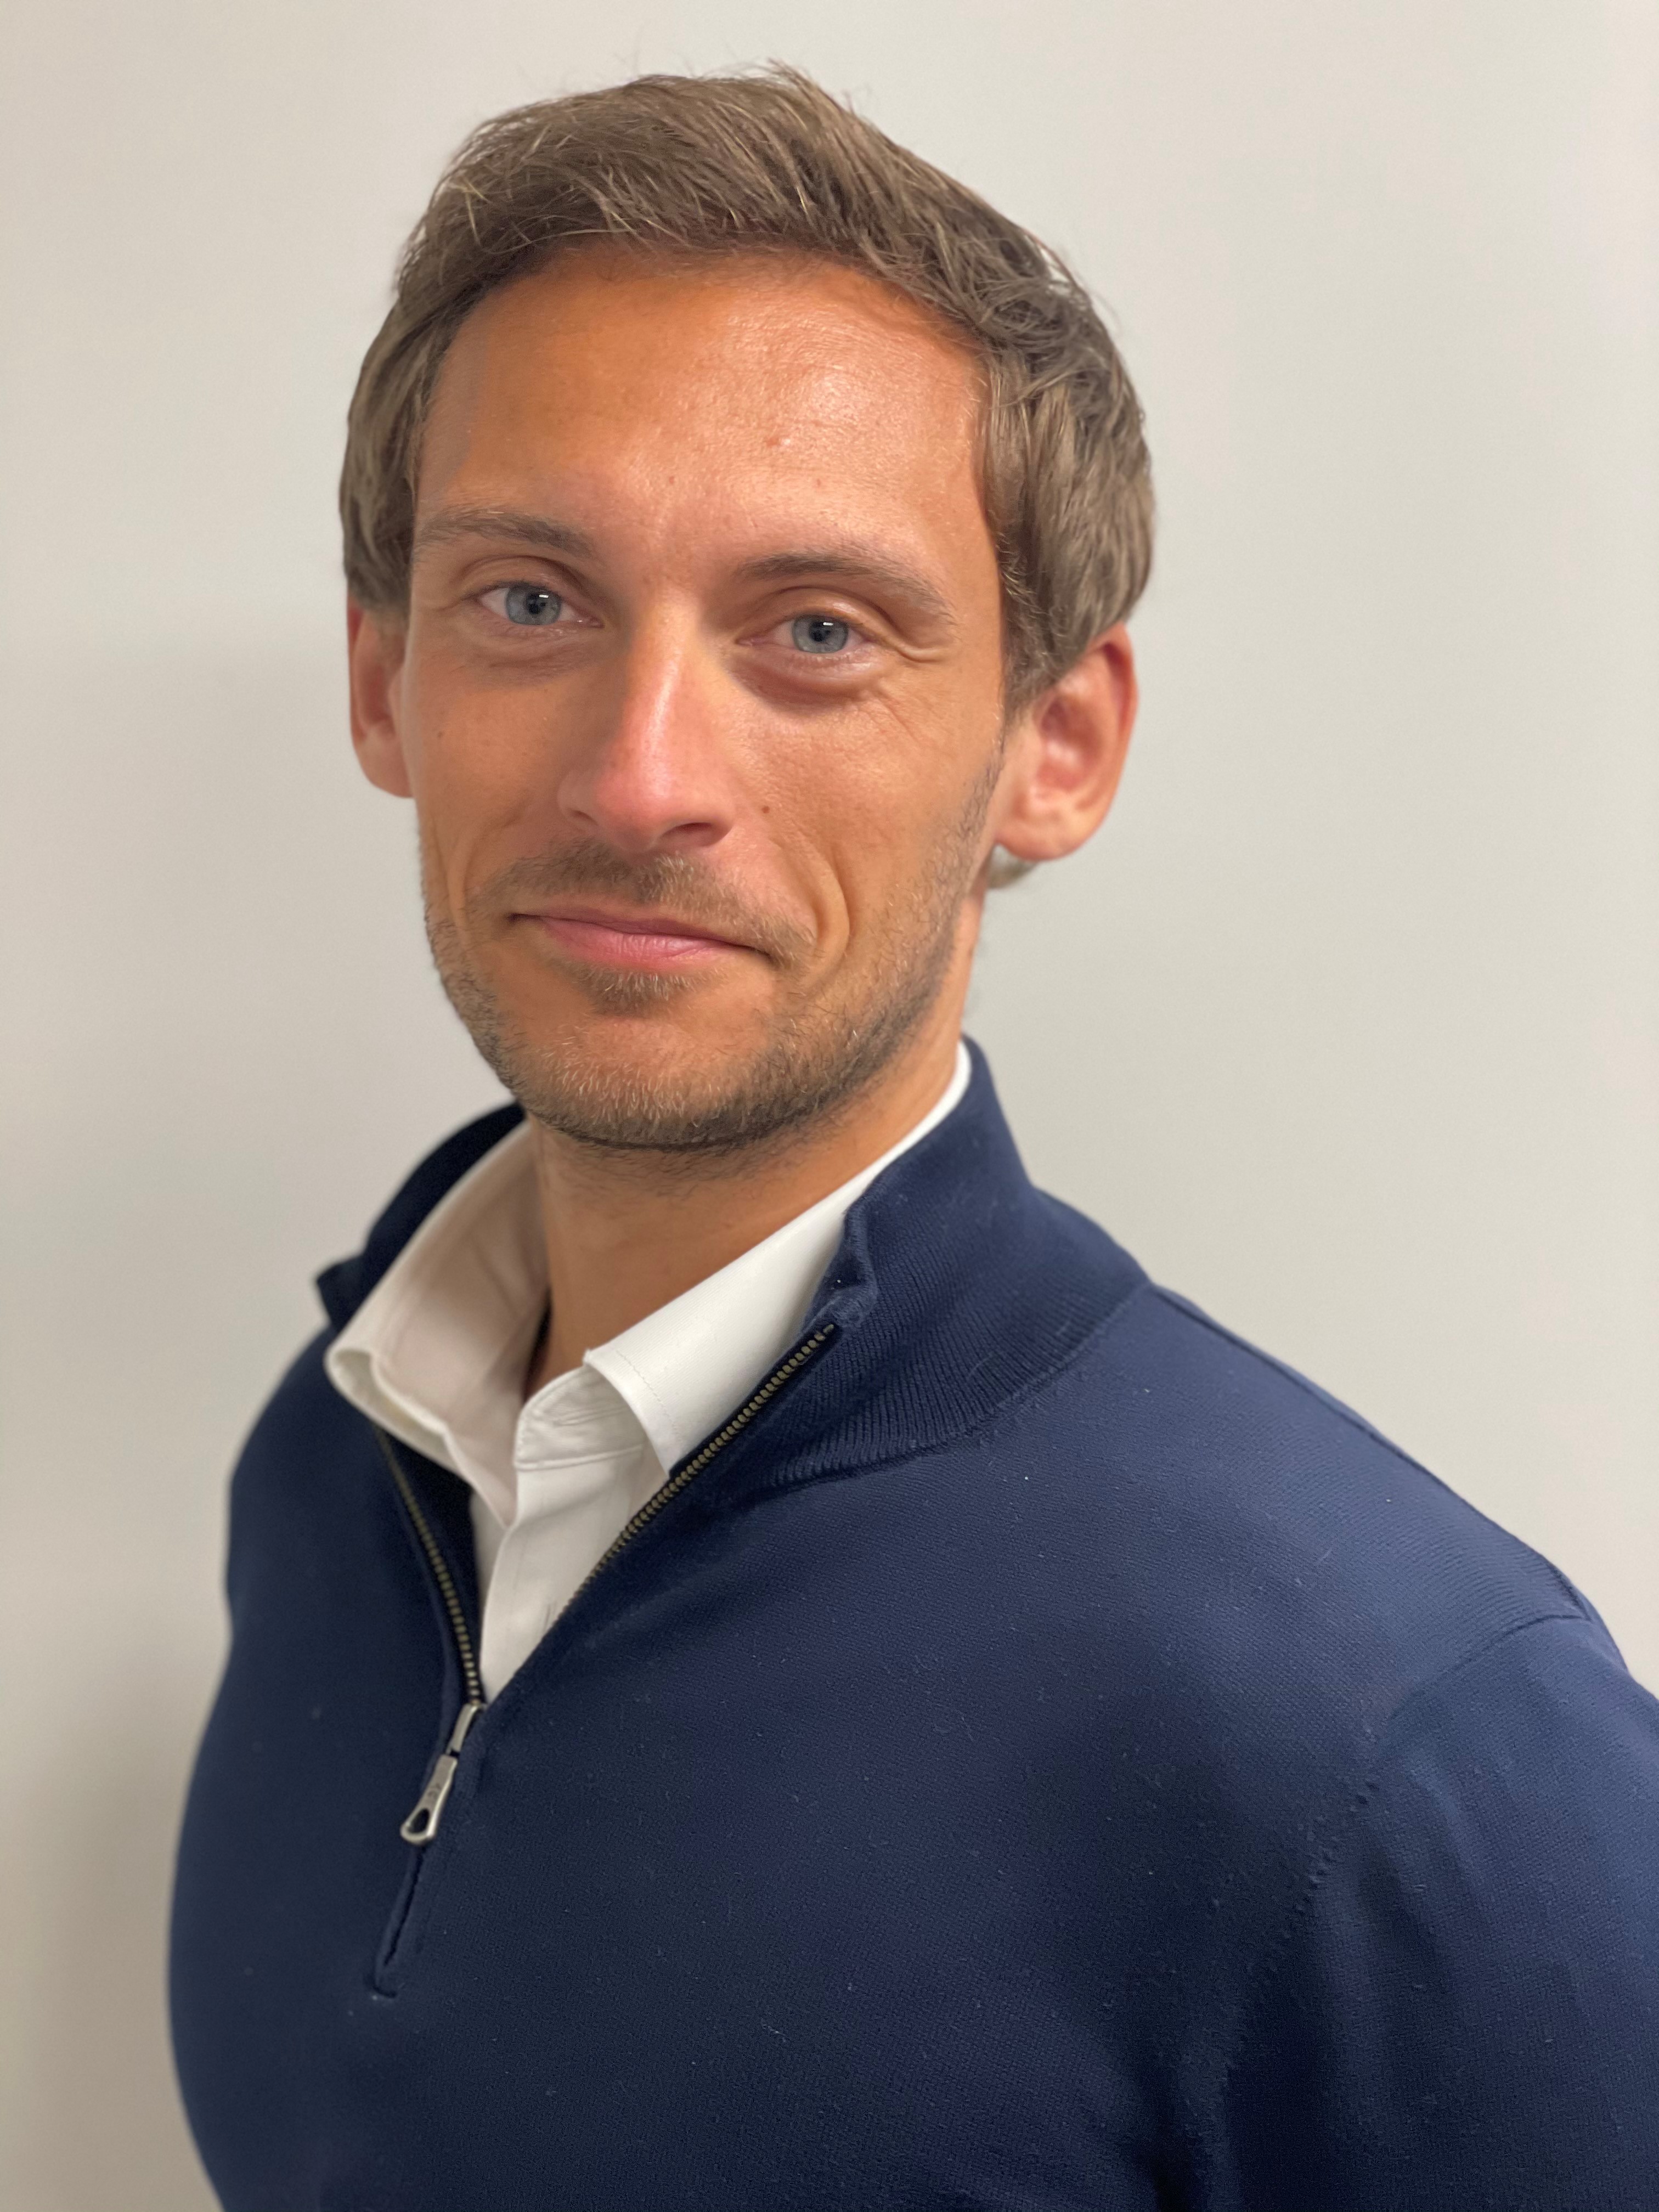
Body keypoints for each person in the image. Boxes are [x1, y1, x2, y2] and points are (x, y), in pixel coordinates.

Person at [168, 65, 1659, 2212]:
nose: (641, 777)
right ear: (383, 679)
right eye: (529, 599)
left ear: (1059, 748)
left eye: (816, 632)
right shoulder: (325, 1470)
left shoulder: (1404, 1746)